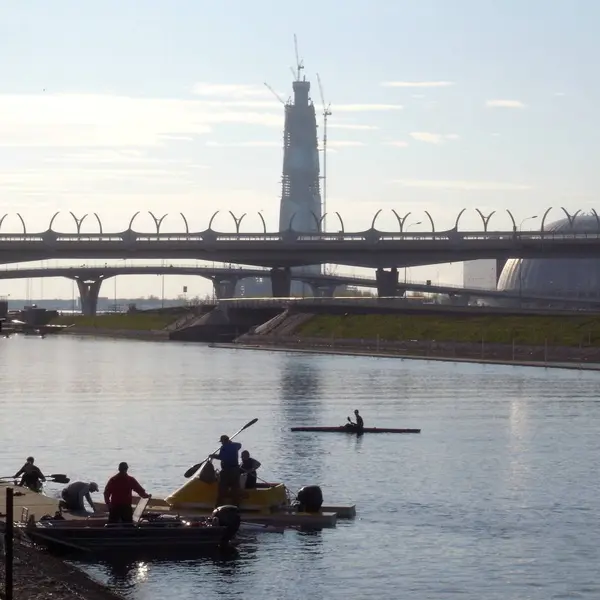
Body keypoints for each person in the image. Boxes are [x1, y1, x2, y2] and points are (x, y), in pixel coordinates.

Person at [210, 435, 242, 507]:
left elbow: (221, 457)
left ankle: (219, 505)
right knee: (235, 488)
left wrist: (213, 456)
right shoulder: (235, 446)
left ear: (224, 441)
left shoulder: (223, 448)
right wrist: (231, 443)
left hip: (227, 471)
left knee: (222, 487)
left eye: (222, 442)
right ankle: (236, 505)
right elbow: (240, 445)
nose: (221, 443)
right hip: (235, 470)